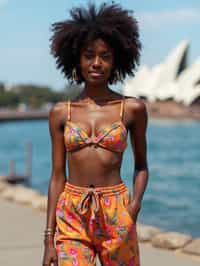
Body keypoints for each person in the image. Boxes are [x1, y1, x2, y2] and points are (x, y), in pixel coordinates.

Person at [42, 2, 148, 266]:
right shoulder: (60, 112)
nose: (97, 63)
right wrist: (48, 239)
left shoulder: (132, 109)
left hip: (116, 211)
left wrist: (133, 208)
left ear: (117, 61)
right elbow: (57, 177)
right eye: (89, 55)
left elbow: (142, 166)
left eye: (105, 56)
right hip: (72, 212)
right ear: (77, 60)